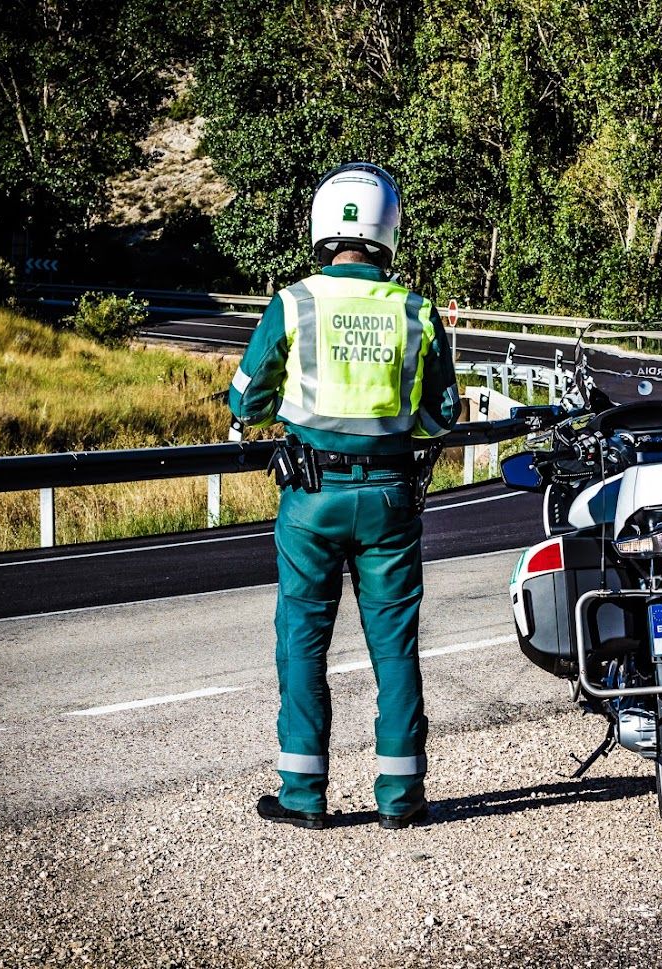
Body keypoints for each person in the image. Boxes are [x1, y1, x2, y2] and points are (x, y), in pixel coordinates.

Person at [228, 162, 460, 830]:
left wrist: (268, 409)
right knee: (394, 645)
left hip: (311, 497)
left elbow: (248, 396)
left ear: (322, 227)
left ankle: (302, 795)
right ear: (388, 229)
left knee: (302, 641)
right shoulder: (414, 311)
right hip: (390, 499)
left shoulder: (295, 302)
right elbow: (440, 416)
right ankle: (401, 797)